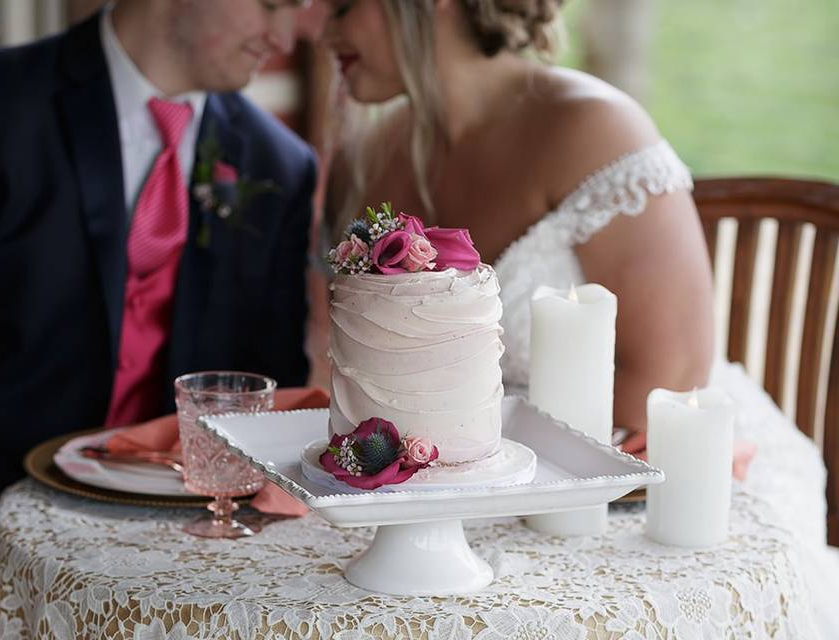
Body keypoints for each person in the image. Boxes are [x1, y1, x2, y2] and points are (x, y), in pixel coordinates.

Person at [319, 0, 839, 633]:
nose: (325, 31)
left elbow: (669, 372)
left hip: (640, 469)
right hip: (436, 487)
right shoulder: (365, 159)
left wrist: (493, 463)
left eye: (345, 5)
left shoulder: (592, 127)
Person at [0, 0, 316, 635]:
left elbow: (268, 395)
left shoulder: (278, 164)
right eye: (273, 4)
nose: (284, 35)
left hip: (185, 573)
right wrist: (5, 519)